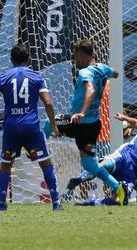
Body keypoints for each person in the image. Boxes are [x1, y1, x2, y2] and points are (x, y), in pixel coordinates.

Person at [43, 39, 127, 205]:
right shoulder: (102, 68)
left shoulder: (84, 72)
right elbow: (116, 73)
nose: (75, 60)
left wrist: (81, 113)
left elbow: (91, 89)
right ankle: (118, 187)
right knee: (89, 163)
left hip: (80, 123)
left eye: (76, 57)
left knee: (48, 122)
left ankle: (35, 150)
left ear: (81, 54)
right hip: (94, 125)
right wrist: (110, 74)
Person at [0, 44, 63, 211]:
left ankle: (2, 204)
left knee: (6, 164)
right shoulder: (37, 77)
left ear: (11, 60)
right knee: (45, 164)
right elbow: (48, 102)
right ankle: (56, 203)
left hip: (11, 128)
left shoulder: (3, 78)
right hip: (31, 127)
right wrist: (53, 124)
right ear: (29, 59)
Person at [68, 113, 137, 206]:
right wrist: (125, 119)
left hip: (131, 174)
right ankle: (80, 178)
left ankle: (87, 203)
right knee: (105, 165)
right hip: (126, 155)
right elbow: (135, 122)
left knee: (119, 200)